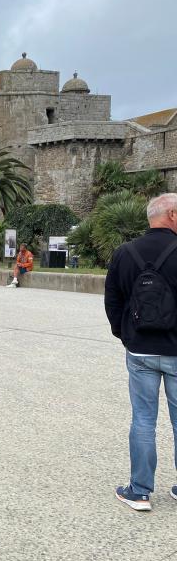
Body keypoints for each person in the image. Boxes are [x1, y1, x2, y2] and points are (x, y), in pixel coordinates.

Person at [105, 192, 177, 510]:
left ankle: (140, 490)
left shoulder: (125, 252)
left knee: (144, 419)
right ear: (172, 215)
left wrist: (125, 335)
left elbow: (113, 300)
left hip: (140, 351)